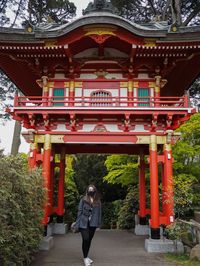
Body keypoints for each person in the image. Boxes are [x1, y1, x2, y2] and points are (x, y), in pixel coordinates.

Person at [74, 184, 102, 266]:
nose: (91, 191)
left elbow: (99, 213)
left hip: (93, 224)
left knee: (89, 240)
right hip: (83, 222)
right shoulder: (83, 199)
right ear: (87, 191)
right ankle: (85, 258)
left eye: (92, 189)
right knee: (85, 239)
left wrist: (99, 224)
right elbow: (79, 211)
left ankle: (86, 256)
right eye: (89, 189)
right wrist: (77, 224)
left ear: (95, 191)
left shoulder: (98, 201)